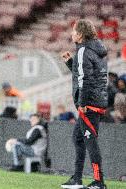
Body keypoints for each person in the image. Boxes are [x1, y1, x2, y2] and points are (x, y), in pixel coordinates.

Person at [61, 19, 108, 189]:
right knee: (78, 138)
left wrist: (82, 102)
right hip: (97, 100)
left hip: (88, 104)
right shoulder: (96, 49)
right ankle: (77, 179)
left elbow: (85, 79)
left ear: (80, 34)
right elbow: (91, 74)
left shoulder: (83, 50)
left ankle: (99, 181)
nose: (71, 34)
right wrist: (70, 64)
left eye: (74, 31)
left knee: (90, 141)